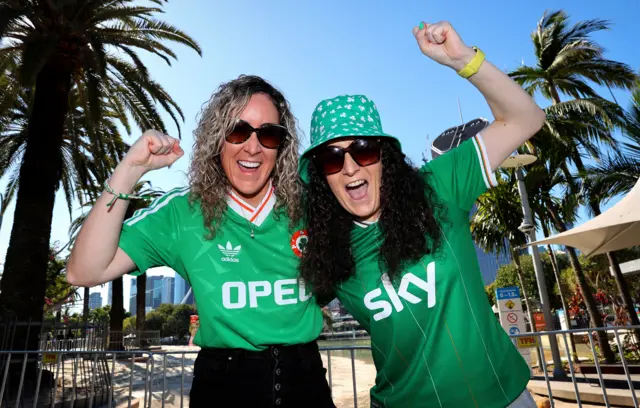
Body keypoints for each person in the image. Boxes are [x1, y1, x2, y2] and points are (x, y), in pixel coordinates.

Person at [299, 21, 546, 408]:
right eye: (332, 158)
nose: (350, 168)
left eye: (363, 150)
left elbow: (526, 119)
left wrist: (464, 60)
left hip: (504, 399)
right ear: (321, 177)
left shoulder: (439, 188)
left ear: (386, 157)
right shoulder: (330, 252)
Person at [67, 75, 335, 408]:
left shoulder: (311, 205)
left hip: (306, 383)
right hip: (224, 387)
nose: (253, 147)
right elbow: (83, 272)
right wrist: (130, 169)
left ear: (281, 146)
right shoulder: (182, 212)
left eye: (268, 134)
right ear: (216, 138)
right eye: (238, 131)